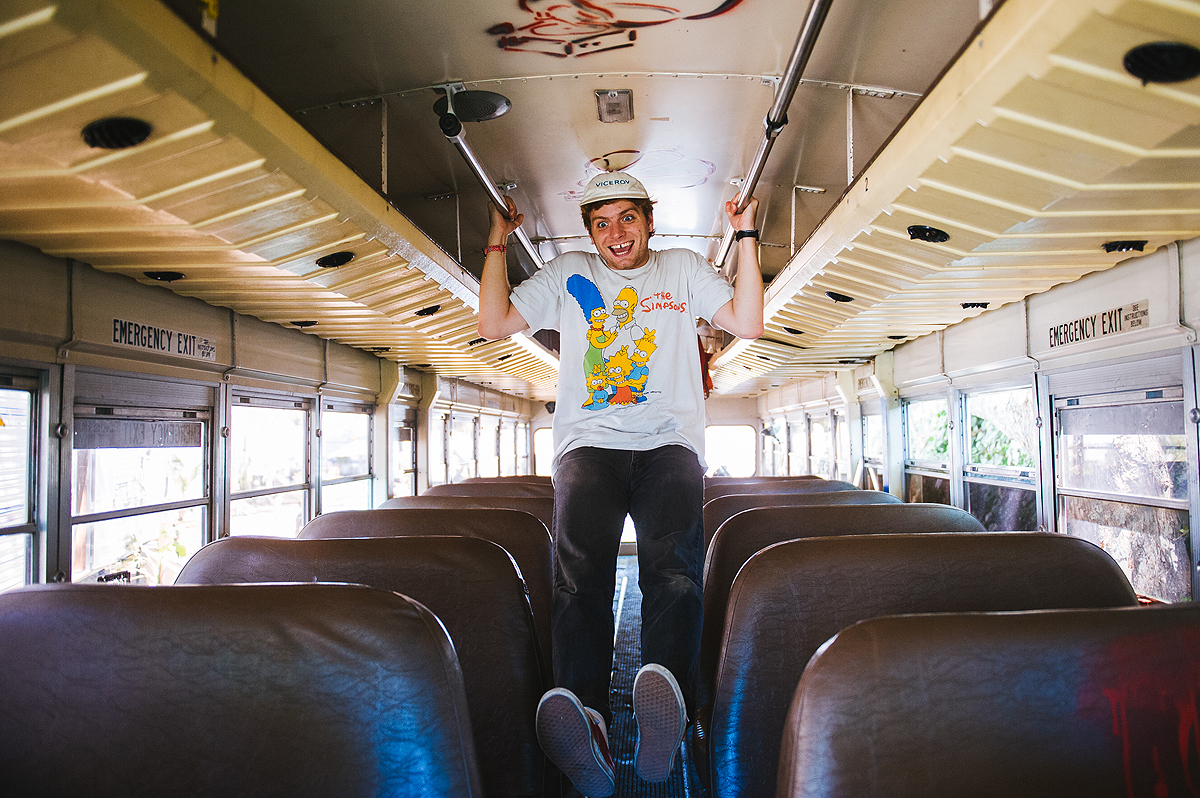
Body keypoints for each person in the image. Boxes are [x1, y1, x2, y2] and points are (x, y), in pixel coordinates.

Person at [479, 171, 763, 796]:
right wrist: (497, 238)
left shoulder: (682, 270)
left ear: (649, 221)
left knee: (675, 575)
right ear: (588, 232)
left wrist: (745, 234)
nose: (616, 233)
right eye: (601, 222)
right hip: (589, 444)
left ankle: (666, 708)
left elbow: (748, 321)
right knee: (579, 581)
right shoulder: (569, 274)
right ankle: (588, 721)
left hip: (669, 443)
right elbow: (494, 321)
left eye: (627, 217)